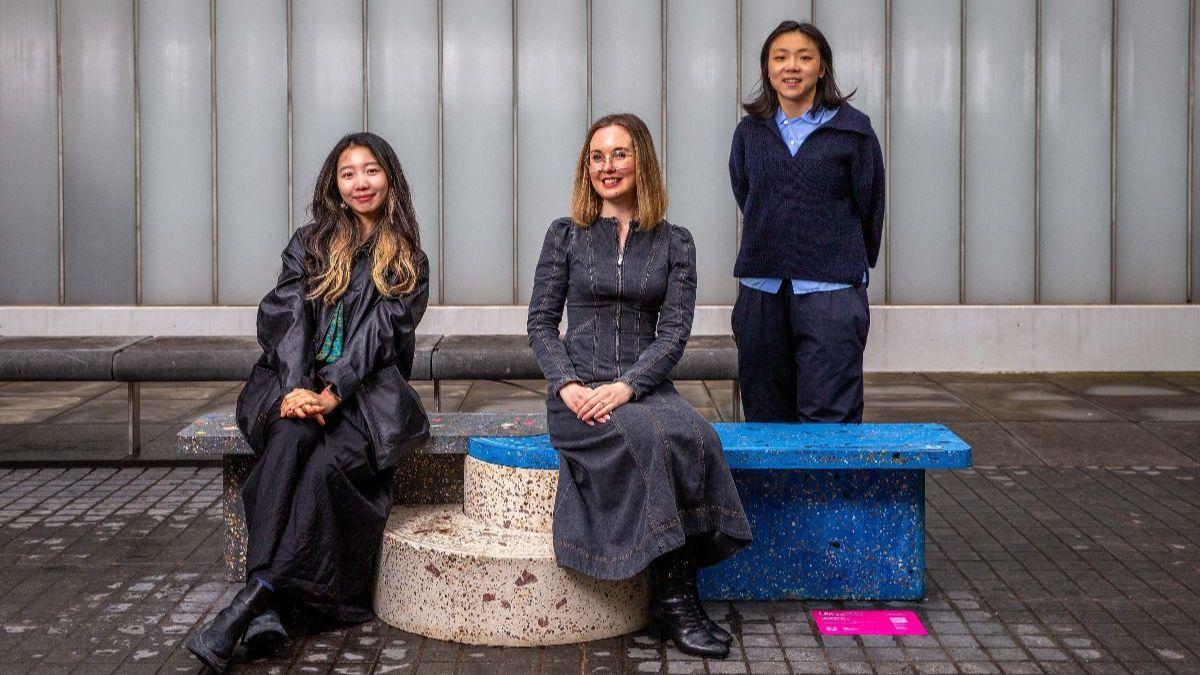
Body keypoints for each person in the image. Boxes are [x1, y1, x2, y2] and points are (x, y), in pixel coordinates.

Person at [187, 132, 430, 673]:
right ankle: (266, 601)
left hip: (362, 397)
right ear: (335, 185)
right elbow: (286, 316)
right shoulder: (309, 244)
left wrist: (332, 391)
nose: (360, 182)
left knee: (324, 470)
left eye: (371, 170)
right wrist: (299, 388)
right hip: (288, 383)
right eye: (348, 173)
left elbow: (381, 339)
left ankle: (254, 600)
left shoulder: (407, 259)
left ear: (389, 178)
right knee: (292, 436)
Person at [528, 113, 752, 659]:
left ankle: (674, 592)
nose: (608, 166)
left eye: (620, 154)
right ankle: (675, 601)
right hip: (579, 392)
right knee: (645, 441)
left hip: (646, 387)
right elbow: (540, 323)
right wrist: (566, 386)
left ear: (641, 160)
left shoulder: (676, 242)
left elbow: (674, 335)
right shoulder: (567, 235)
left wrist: (630, 385)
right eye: (597, 157)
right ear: (587, 167)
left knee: (699, 437)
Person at [729, 21, 884, 423]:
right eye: (780, 57)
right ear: (767, 68)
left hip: (830, 291)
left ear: (822, 68)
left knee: (828, 422)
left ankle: (828, 491)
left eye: (804, 57)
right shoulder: (750, 133)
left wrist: (840, 259)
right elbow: (749, 196)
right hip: (761, 292)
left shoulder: (854, 132)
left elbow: (870, 206)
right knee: (765, 421)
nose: (791, 66)